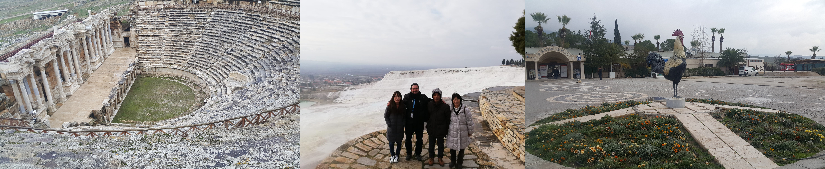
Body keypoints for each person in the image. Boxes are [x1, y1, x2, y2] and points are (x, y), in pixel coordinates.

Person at [403, 83, 430, 161]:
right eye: (413, 88)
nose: (415, 90)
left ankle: (418, 154)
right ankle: (409, 153)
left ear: (418, 89)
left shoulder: (423, 97)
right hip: (409, 123)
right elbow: (400, 104)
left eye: (416, 88)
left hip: (419, 122)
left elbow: (431, 101)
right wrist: (391, 103)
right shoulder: (407, 97)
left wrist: (441, 101)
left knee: (419, 139)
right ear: (411, 89)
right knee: (408, 139)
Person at [446, 93, 474, 168]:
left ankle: (459, 163)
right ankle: (452, 161)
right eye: (454, 99)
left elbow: (470, 122)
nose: (456, 101)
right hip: (452, 132)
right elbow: (446, 120)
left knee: (461, 149)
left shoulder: (465, 110)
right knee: (452, 149)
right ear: (452, 100)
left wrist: (470, 132)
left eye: (457, 99)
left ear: (460, 100)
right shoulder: (450, 109)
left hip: (463, 133)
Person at [426, 88, 450, 166]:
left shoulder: (445, 106)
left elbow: (448, 119)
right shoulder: (429, 104)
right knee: (431, 144)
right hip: (431, 128)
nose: (436, 97)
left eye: (438, 95)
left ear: (440, 96)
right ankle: (431, 157)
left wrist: (446, 129)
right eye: (435, 95)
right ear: (432, 96)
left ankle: (440, 158)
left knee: (440, 144)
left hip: (441, 129)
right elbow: (427, 116)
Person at [384, 91, 406, 163]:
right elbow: (386, 116)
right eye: (395, 96)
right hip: (392, 128)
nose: (397, 98)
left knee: (399, 143)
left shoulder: (403, 106)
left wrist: (403, 124)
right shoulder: (390, 106)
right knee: (391, 143)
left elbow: (405, 117)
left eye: (398, 96)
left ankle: (397, 155)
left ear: (400, 98)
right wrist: (389, 124)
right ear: (393, 97)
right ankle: (392, 155)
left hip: (399, 128)